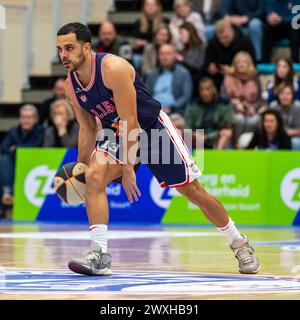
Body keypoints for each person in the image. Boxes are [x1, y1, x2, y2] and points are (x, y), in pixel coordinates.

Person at [56, 22, 259, 276]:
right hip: (116, 133)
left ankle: (239, 243)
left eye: (69, 48)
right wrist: (80, 167)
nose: (63, 55)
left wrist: (128, 167)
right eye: (60, 49)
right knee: (94, 176)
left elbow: (133, 121)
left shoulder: (113, 68)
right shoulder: (70, 86)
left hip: (152, 129)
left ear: (86, 47)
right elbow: (86, 128)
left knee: (192, 191)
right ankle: (99, 254)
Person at [0, 105, 44, 218]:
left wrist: (16, 148)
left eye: (29, 117)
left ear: (35, 119)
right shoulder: (14, 131)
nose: (26, 120)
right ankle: (7, 193)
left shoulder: (41, 131)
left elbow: (36, 147)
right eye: (23, 117)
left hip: (34, 164)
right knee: (4, 160)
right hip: (14, 163)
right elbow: (4, 146)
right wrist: (17, 151)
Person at [203, 19, 256, 89]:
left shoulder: (244, 41)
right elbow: (206, 63)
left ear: (232, 32)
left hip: (240, 78)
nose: (222, 41)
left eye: (225, 37)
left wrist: (233, 70)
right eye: (220, 38)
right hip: (217, 78)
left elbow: (252, 65)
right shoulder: (213, 43)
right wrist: (210, 67)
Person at [220, 51, 262, 139]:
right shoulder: (228, 78)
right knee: (239, 119)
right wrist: (234, 104)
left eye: (244, 62)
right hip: (232, 110)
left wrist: (251, 107)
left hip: (251, 110)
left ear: (249, 64)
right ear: (234, 64)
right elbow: (223, 98)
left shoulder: (255, 78)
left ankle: (247, 145)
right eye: (238, 62)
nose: (241, 65)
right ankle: (236, 145)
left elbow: (258, 99)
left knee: (255, 120)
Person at [185, 77, 234, 149]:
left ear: (213, 89)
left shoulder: (224, 104)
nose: (204, 92)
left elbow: (226, 126)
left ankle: (218, 156)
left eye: (207, 89)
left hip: (216, 136)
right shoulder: (192, 105)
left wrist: (208, 136)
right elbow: (187, 126)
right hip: (197, 135)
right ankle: (188, 157)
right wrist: (195, 134)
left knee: (227, 133)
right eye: (202, 89)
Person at [145, 43, 193, 115]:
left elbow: (186, 96)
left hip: (175, 112)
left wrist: (172, 108)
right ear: (158, 56)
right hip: (154, 112)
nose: (165, 57)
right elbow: (146, 95)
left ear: (174, 55)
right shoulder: (152, 75)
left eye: (168, 54)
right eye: (162, 54)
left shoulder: (183, 73)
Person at [132, 0, 166, 72]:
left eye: (153, 5)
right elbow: (136, 42)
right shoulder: (138, 23)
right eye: (147, 5)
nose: (150, 7)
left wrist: (145, 43)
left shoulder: (164, 21)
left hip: (158, 51)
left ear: (158, 7)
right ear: (143, 7)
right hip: (141, 53)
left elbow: (164, 39)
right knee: (136, 59)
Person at [270, 84, 300, 150]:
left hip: (296, 137)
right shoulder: (273, 107)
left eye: (288, 94)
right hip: (277, 136)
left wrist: (290, 133)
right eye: (282, 94)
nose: (285, 96)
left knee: (295, 142)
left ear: (293, 96)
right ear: (278, 96)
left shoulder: (298, 107)